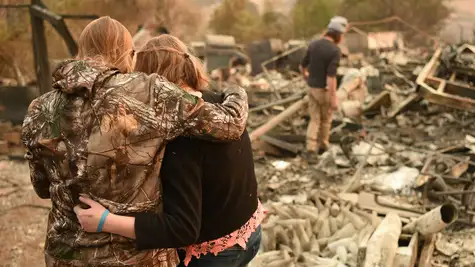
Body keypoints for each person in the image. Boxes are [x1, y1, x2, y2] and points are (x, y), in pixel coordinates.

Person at [21, 16, 248, 267]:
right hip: (136, 258)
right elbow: (230, 124)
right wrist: (235, 90)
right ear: (127, 54)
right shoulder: (149, 91)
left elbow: (42, 188)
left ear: (80, 52)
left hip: (65, 255)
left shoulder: (38, 108)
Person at [73, 34, 264, 267]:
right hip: (251, 231)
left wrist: (105, 221)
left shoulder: (180, 137)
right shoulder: (220, 106)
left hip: (215, 254)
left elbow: (182, 228)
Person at [300, 16, 348, 159]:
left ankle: (310, 149)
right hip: (324, 90)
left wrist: (306, 77)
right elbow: (331, 77)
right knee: (326, 119)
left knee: (314, 119)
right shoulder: (334, 51)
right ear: (338, 35)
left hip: (312, 88)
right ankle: (323, 146)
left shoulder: (314, 44)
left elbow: (302, 65)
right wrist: (334, 99)